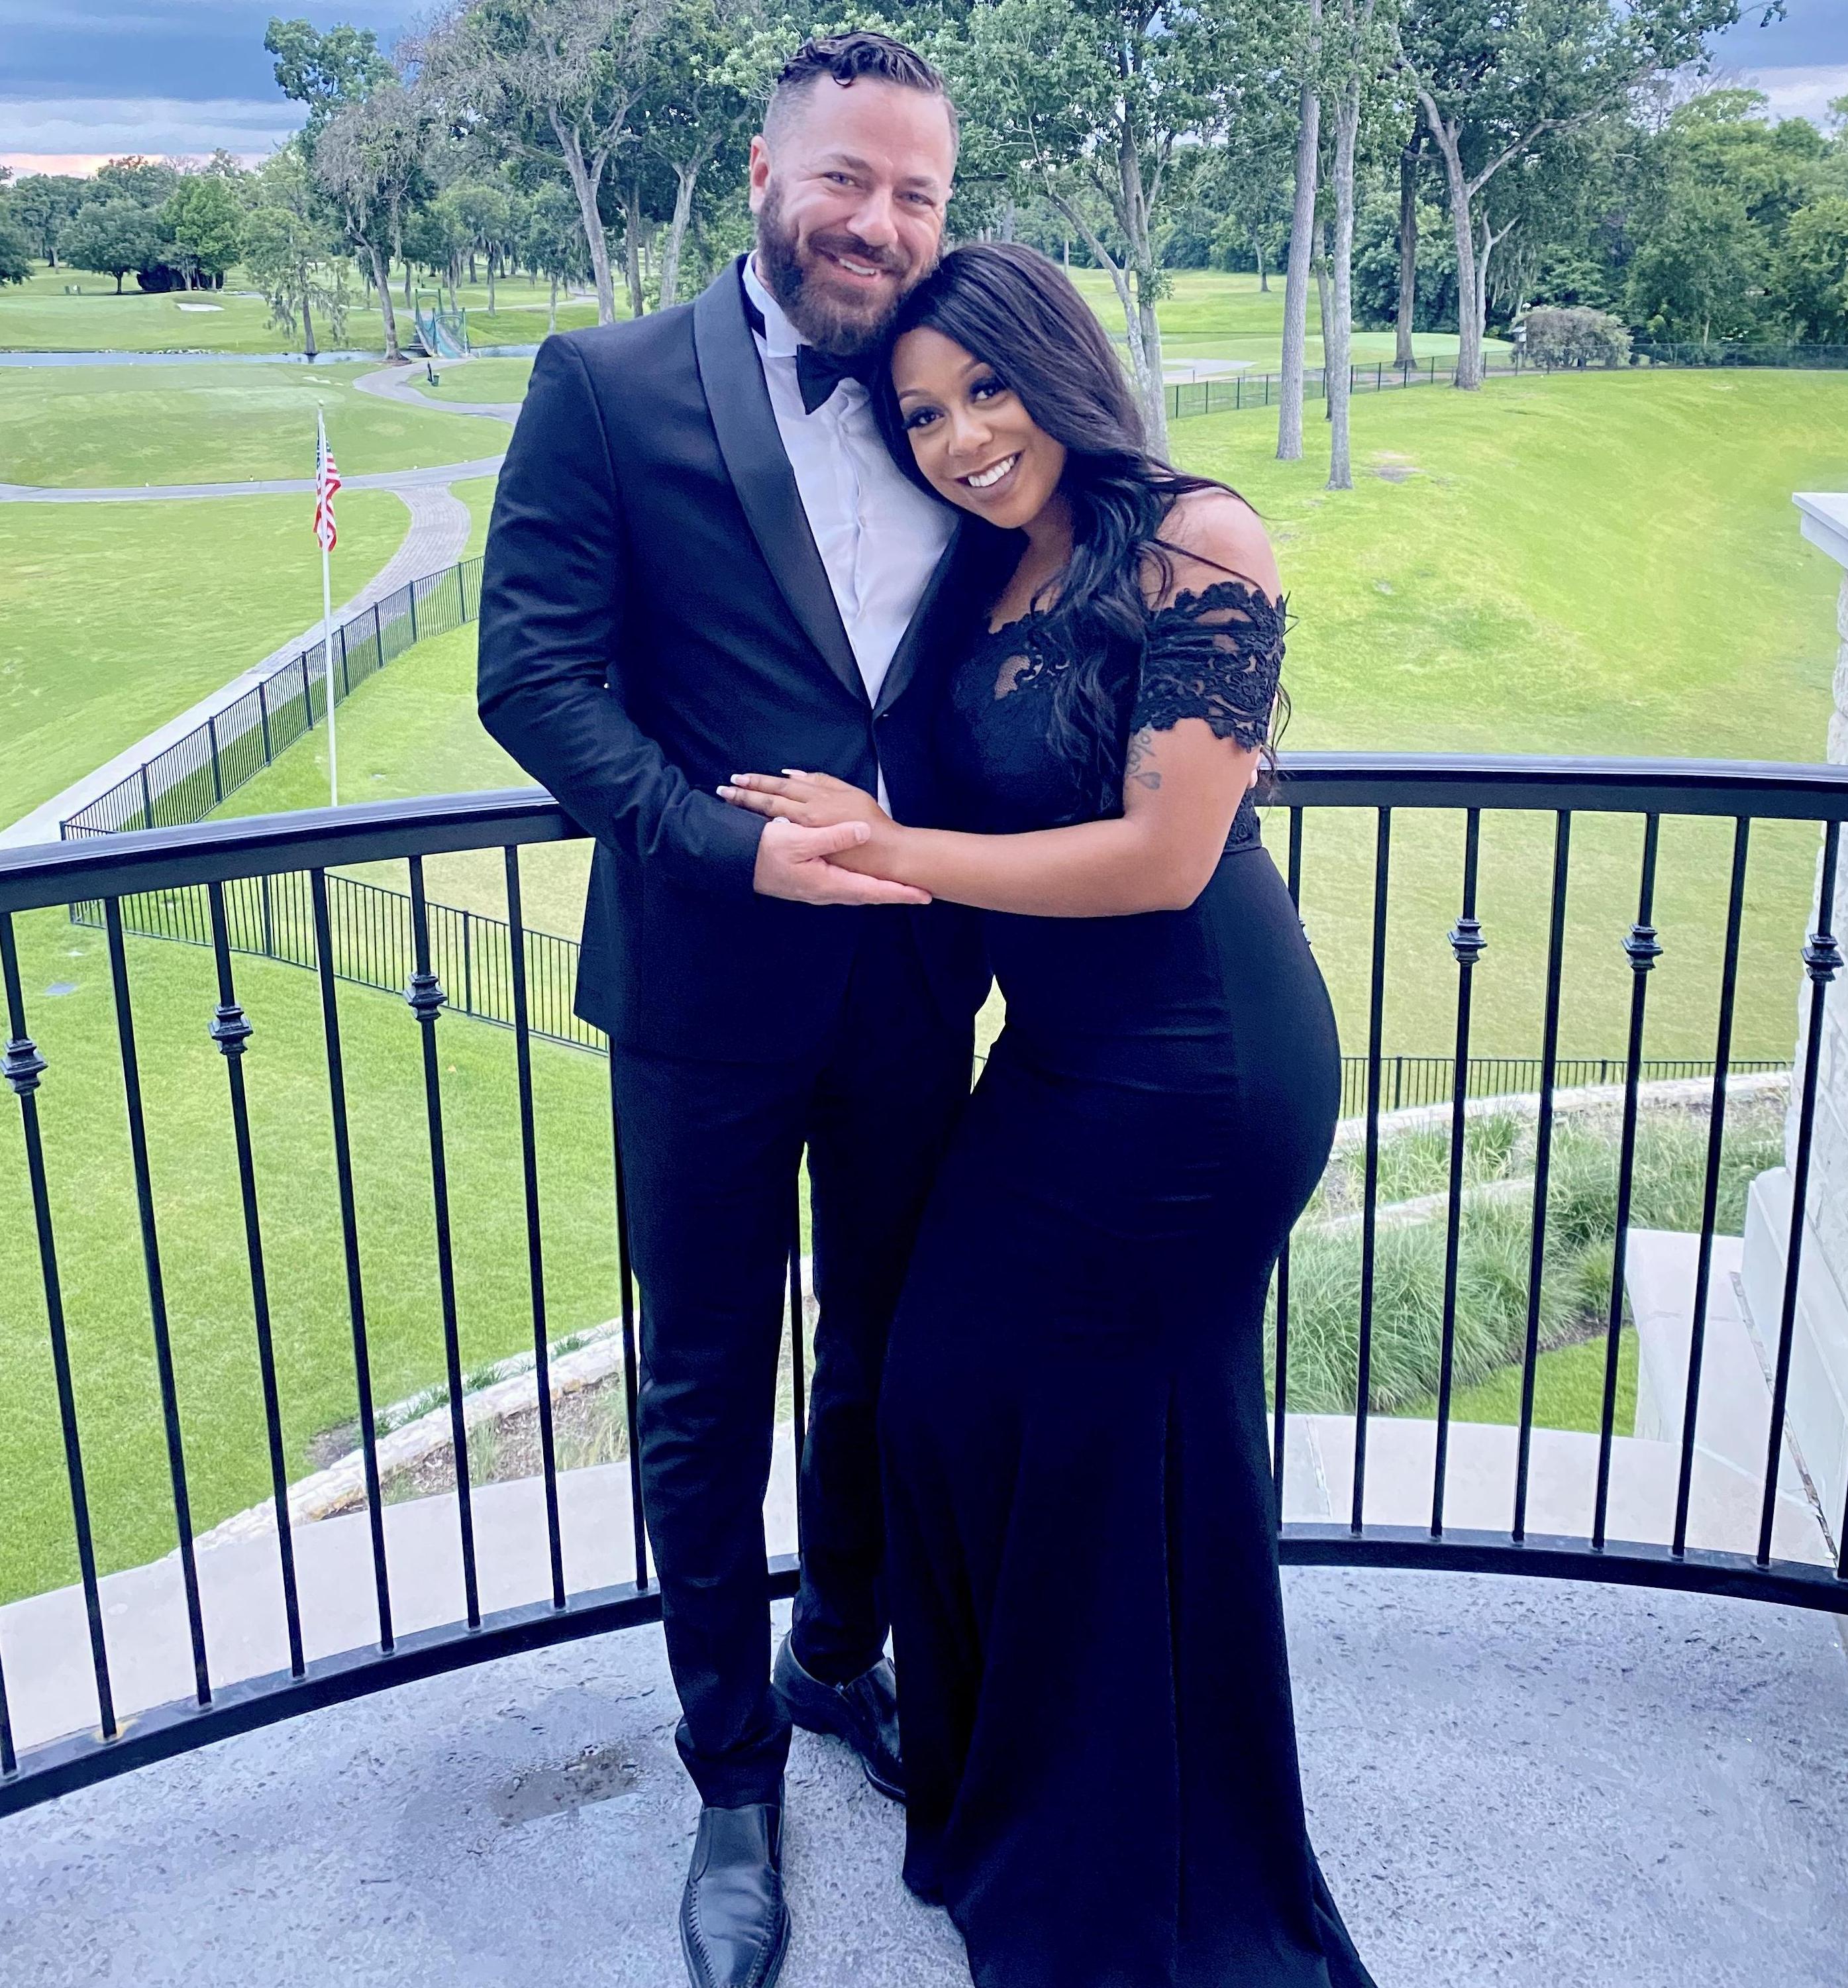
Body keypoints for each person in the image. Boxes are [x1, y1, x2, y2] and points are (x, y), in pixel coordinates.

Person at [718, 243, 1378, 1987]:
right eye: (923, 415)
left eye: (986, 390)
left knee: (1113, 1434)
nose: (959, 438)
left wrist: (892, 849)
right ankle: (1021, 1786)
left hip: (1202, 1065)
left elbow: (1162, 855)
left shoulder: (1196, 542)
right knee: (942, 1392)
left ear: (1057, 368)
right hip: (1062, 1057)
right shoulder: (987, 564)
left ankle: (1139, 1875)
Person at [476, 34, 1004, 1988]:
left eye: (917, 192)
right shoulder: (604, 384)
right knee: (704, 1388)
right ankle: (726, 1774)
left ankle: (837, 1656)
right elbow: (534, 677)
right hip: (704, 985)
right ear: (765, 173)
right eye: (847, 178)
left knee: (881, 1347)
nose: (879, 220)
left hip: (916, 976)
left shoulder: (956, 393)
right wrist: (724, 846)